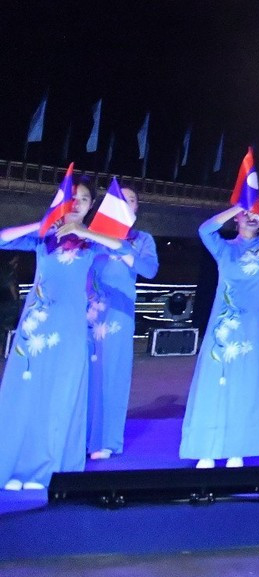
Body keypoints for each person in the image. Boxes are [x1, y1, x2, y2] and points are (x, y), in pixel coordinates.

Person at [0, 184, 118, 490]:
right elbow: (2, 238)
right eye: (72, 198)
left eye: (84, 199)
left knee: (59, 396)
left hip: (70, 330)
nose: (77, 203)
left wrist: (84, 231)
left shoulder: (93, 243)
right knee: (28, 395)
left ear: (91, 205)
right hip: (37, 329)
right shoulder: (45, 239)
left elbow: (121, 248)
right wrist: (42, 224)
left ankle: (48, 468)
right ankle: (16, 464)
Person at [181, 201, 259, 467]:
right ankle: (208, 448)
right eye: (246, 214)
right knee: (215, 385)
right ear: (236, 219)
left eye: (255, 213)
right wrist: (237, 207)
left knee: (245, 386)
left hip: (253, 330)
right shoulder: (224, 249)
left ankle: (238, 447)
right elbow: (205, 230)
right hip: (223, 328)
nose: (251, 217)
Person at [86, 188, 158, 460]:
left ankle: (106, 440)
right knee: (85, 376)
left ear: (137, 209)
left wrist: (122, 247)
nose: (126, 204)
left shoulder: (142, 240)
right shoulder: (92, 238)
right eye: (120, 199)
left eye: (132, 200)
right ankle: (80, 436)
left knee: (112, 376)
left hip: (118, 316)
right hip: (87, 314)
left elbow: (150, 271)